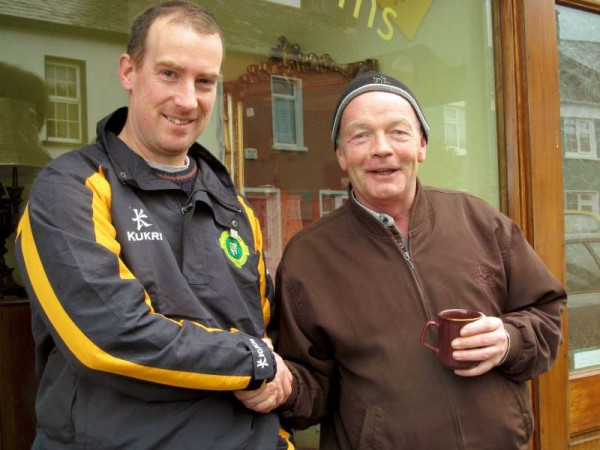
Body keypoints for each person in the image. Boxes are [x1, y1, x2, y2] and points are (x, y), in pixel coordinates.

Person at [15, 2, 292, 448]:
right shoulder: (70, 188)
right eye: (169, 74)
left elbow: (265, 335)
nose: (188, 99)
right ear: (129, 71)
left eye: (205, 82)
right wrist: (251, 361)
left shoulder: (234, 205)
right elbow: (108, 337)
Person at [274, 70, 566, 449]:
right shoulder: (308, 257)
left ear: (422, 145)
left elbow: (546, 316)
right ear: (342, 156)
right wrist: (277, 385)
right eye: (361, 135)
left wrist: (509, 341)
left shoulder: (480, 221)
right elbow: (312, 391)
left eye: (398, 132)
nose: (382, 148)